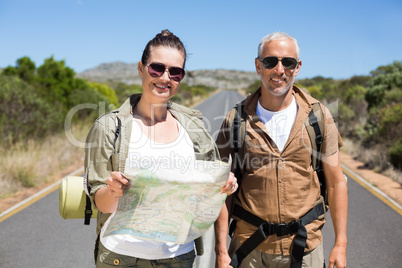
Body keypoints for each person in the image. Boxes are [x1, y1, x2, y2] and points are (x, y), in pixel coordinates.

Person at [84, 29, 237, 268]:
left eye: (175, 72)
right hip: (120, 256)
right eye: (157, 68)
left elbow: (213, 193)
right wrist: (113, 191)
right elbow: (100, 203)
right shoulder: (109, 128)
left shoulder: (194, 128)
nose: (165, 77)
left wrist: (223, 185)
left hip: (177, 257)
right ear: (141, 68)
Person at [214, 32, 348, 268]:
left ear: (297, 67)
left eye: (288, 62)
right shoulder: (236, 120)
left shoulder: (318, 117)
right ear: (258, 66)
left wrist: (341, 244)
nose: (279, 70)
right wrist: (221, 251)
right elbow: (222, 189)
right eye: (270, 61)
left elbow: (337, 183)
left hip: (305, 250)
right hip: (249, 251)